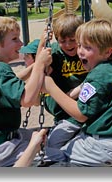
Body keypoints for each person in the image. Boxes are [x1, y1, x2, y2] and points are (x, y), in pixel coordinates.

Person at [38, 18, 112, 167]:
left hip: (104, 144)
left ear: (107, 51)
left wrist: (51, 87)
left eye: (87, 47)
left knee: (51, 156)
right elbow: (90, 88)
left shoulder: (97, 77)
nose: (80, 51)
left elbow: (81, 115)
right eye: (80, 45)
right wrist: (71, 94)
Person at [0, 16, 52, 167]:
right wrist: (39, 66)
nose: (21, 43)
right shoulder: (1, 68)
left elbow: (15, 79)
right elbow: (27, 100)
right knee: (56, 156)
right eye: (15, 39)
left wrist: (36, 62)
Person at [37, 13, 88, 149]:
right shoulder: (55, 53)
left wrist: (76, 91)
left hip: (82, 109)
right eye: (62, 41)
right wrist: (43, 42)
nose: (68, 45)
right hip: (62, 111)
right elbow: (39, 68)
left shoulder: (86, 51)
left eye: (72, 40)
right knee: (53, 145)